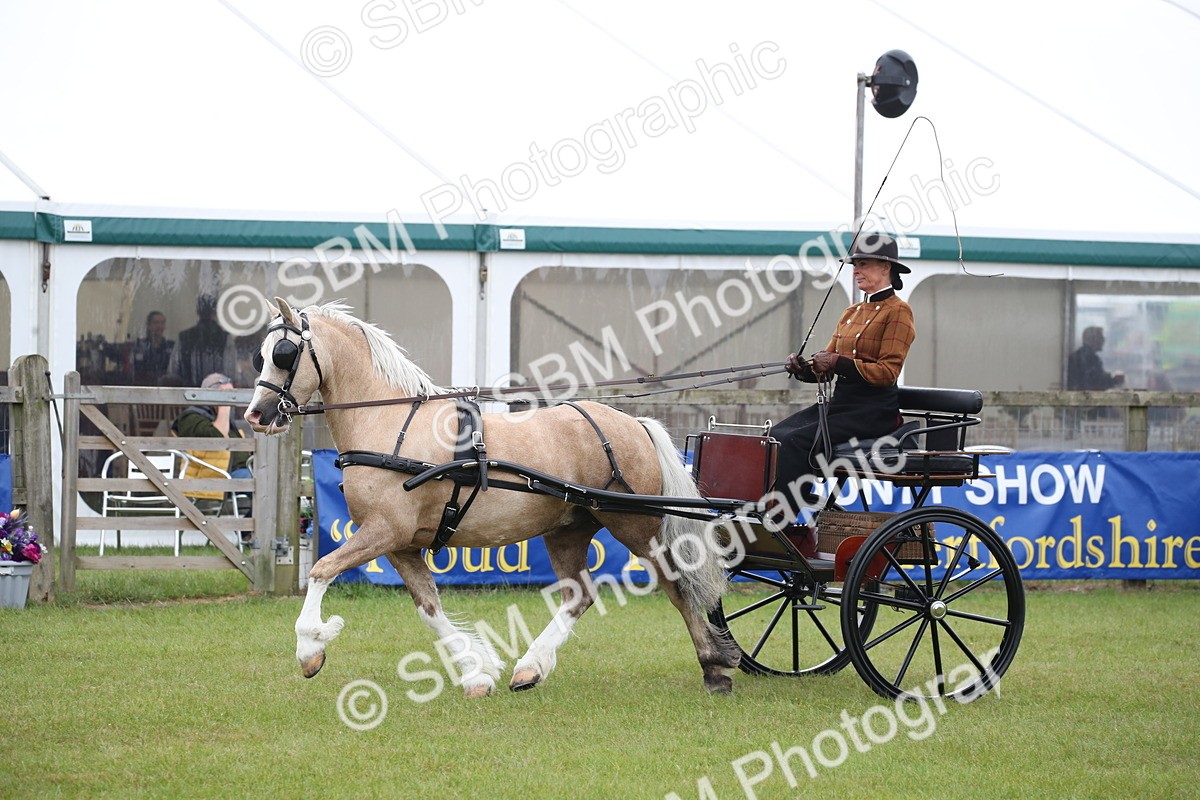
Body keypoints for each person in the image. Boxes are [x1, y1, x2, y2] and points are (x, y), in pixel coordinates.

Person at [771, 233, 917, 514]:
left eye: (863, 264)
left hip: (873, 411)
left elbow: (887, 372)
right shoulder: (851, 311)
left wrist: (838, 363)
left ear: (885, 267)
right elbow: (825, 366)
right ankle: (779, 503)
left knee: (797, 440)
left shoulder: (899, 312)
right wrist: (803, 368)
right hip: (842, 406)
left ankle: (784, 518)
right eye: (855, 265)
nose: (856, 270)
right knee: (778, 434)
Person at [172, 373, 252, 517]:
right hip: (215, 474)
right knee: (263, 483)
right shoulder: (191, 417)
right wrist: (224, 406)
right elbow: (217, 439)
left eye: (233, 394)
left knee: (271, 481)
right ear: (212, 394)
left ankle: (249, 530)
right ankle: (248, 530)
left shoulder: (222, 418)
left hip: (239, 470)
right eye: (227, 394)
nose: (231, 400)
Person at [167, 294, 237, 386]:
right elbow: (230, 371)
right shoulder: (225, 337)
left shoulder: (184, 337)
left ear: (197, 312)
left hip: (187, 394)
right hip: (217, 394)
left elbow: (173, 371)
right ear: (216, 312)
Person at [131, 310, 174, 385]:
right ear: (149, 326)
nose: (160, 326)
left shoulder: (170, 347)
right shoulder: (139, 346)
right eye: (156, 323)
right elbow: (135, 371)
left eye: (162, 323)